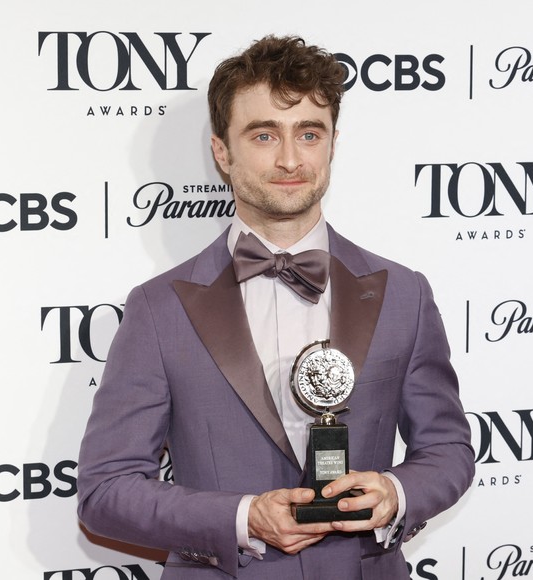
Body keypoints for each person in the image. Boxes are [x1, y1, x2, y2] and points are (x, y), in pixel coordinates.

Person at [77, 35, 474, 580]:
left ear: (332, 144)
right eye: (264, 135)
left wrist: (396, 492)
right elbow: (105, 490)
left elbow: (448, 448)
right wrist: (242, 517)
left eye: (309, 133)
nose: (290, 159)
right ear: (222, 152)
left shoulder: (405, 294)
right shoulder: (158, 308)